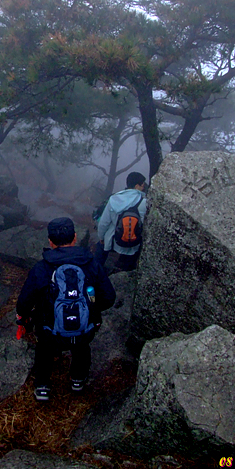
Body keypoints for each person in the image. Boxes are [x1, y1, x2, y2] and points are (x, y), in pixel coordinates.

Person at [16, 217, 116, 402]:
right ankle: (78, 379)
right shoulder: (92, 264)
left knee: (44, 349)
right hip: (84, 330)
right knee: (81, 346)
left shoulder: (41, 268)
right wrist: (91, 308)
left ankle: (43, 386)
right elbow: (109, 297)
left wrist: (24, 315)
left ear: (50, 242)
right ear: (75, 237)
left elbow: (24, 302)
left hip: (49, 332)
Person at [96, 171, 148, 271]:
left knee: (100, 247)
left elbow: (104, 223)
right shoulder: (144, 202)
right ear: (137, 186)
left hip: (113, 241)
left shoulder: (114, 199)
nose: (143, 187)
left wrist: (101, 237)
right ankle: (127, 274)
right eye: (142, 185)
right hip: (133, 244)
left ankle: (95, 273)